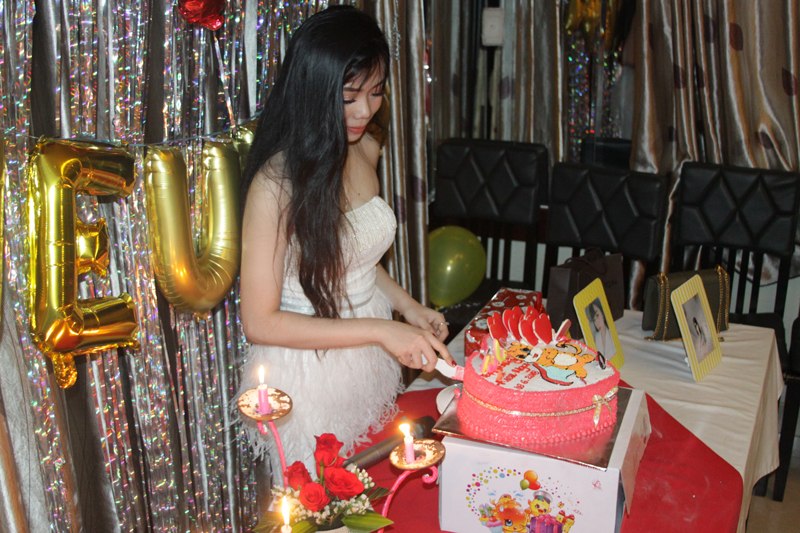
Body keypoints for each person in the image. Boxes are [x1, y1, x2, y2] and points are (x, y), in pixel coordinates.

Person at [236, 5, 454, 476]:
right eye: (349, 96)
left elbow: (356, 257)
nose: (365, 111)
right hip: (307, 373)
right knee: (324, 499)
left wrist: (408, 307)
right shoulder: (275, 185)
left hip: (367, 359)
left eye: (376, 93)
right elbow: (260, 321)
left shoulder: (365, 148)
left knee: (374, 487)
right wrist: (382, 330)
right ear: (313, 90)